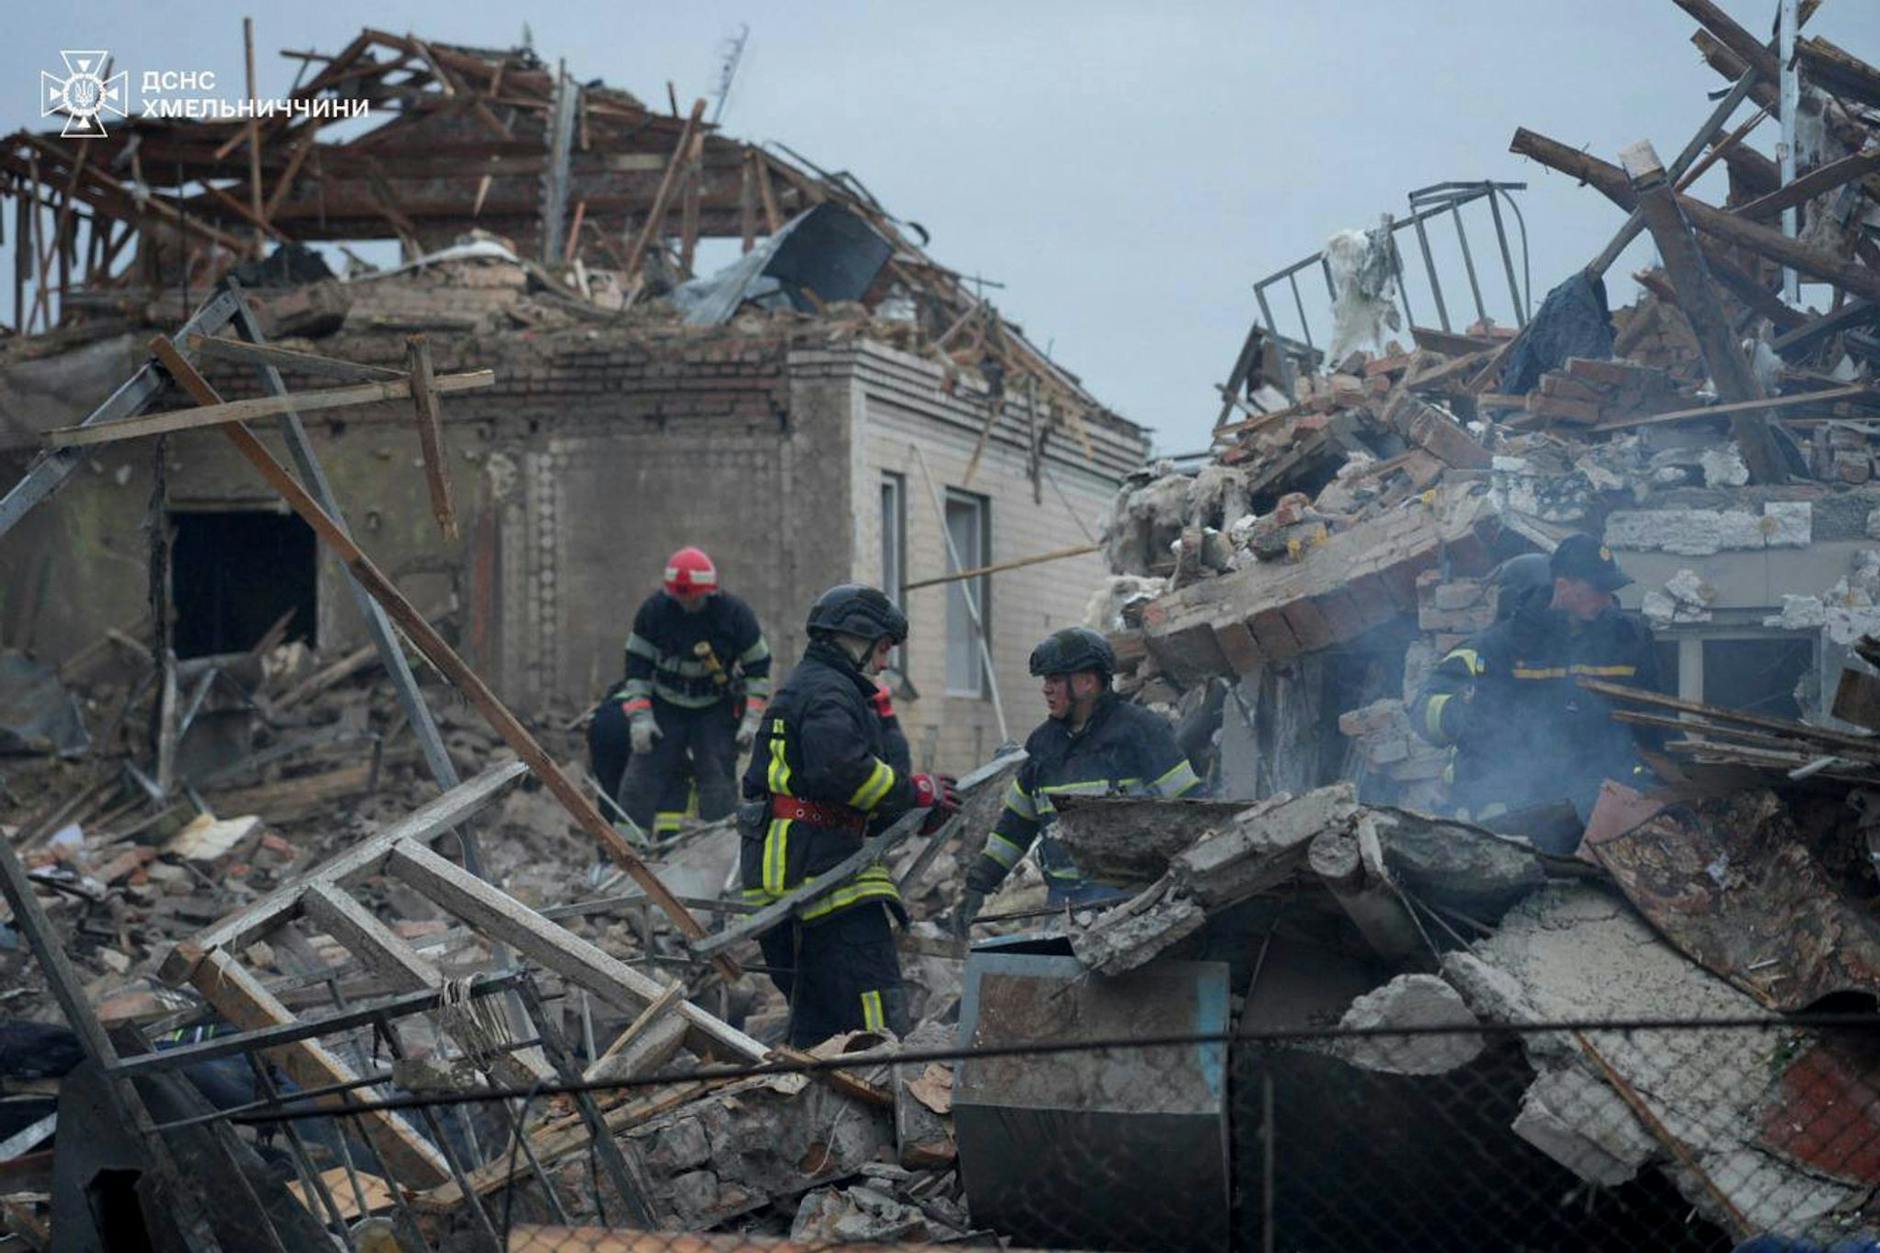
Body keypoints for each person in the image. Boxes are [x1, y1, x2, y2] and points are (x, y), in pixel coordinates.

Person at [739, 584, 958, 1045]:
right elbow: (842, 774)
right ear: (854, 640)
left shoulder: (815, 688)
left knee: (819, 1030)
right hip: (821, 886)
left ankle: (830, 1113)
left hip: (795, 884)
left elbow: (832, 798)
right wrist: (913, 790)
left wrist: (913, 816)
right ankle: (886, 1094)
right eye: (881, 648)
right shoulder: (828, 693)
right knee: (874, 1016)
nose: (884, 663)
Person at [955, 626, 1201, 933]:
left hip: (1131, 907)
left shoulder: (1141, 732)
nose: (1046, 689)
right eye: (1045, 680)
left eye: (1055, 679)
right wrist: (978, 884)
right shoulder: (1041, 745)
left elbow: (1191, 811)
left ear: (1088, 681)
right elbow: (1015, 825)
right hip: (1063, 906)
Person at [1410, 535, 1661, 825]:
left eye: (1610, 589)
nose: (1607, 599)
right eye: (1597, 589)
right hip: (1513, 805)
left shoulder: (1628, 641)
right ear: (1563, 587)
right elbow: (1424, 713)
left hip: (1602, 808)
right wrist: (1467, 714)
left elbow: (1655, 722)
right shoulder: (1498, 647)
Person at [616, 547, 772, 838]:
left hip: (715, 708)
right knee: (641, 779)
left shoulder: (735, 615)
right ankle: (623, 854)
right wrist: (640, 719)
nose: (687, 603)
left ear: (709, 592)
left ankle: (719, 851)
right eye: (680, 597)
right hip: (665, 705)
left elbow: (758, 670)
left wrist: (751, 720)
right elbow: (636, 669)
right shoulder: (654, 612)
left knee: (718, 779)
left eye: (694, 598)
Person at [586, 681, 695, 840]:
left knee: (610, 793)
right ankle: (667, 842)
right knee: (673, 783)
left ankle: (609, 853)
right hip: (645, 719)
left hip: (604, 722)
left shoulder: (622, 692)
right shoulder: (672, 694)